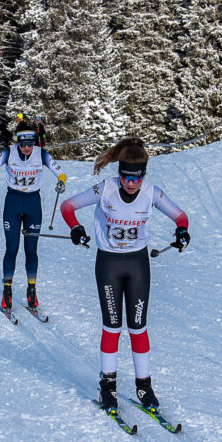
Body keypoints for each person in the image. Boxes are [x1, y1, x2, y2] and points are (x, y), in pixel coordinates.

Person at [59, 138, 190, 413]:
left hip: (138, 264)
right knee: (112, 326)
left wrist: (181, 232)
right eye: (126, 176)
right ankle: (108, 386)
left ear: (144, 175)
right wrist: (75, 228)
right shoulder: (105, 189)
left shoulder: (152, 193)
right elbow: (68, 206)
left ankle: (144, 385)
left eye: (137, 177)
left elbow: (180, 216)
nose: (131, 183)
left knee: (138, 326)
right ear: (119, 174)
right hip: (109, 264)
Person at [0, 121, 66, 311]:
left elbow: (61, 173)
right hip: (13, 202)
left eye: (30, 143)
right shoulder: (9, 152)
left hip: (33, 204)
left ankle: (31, 290)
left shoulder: (41, 154)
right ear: (18, 142)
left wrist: (61, 183)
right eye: (23, 144)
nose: (27, 148)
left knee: (31, 250)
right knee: (11, 249)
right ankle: (7, 291)